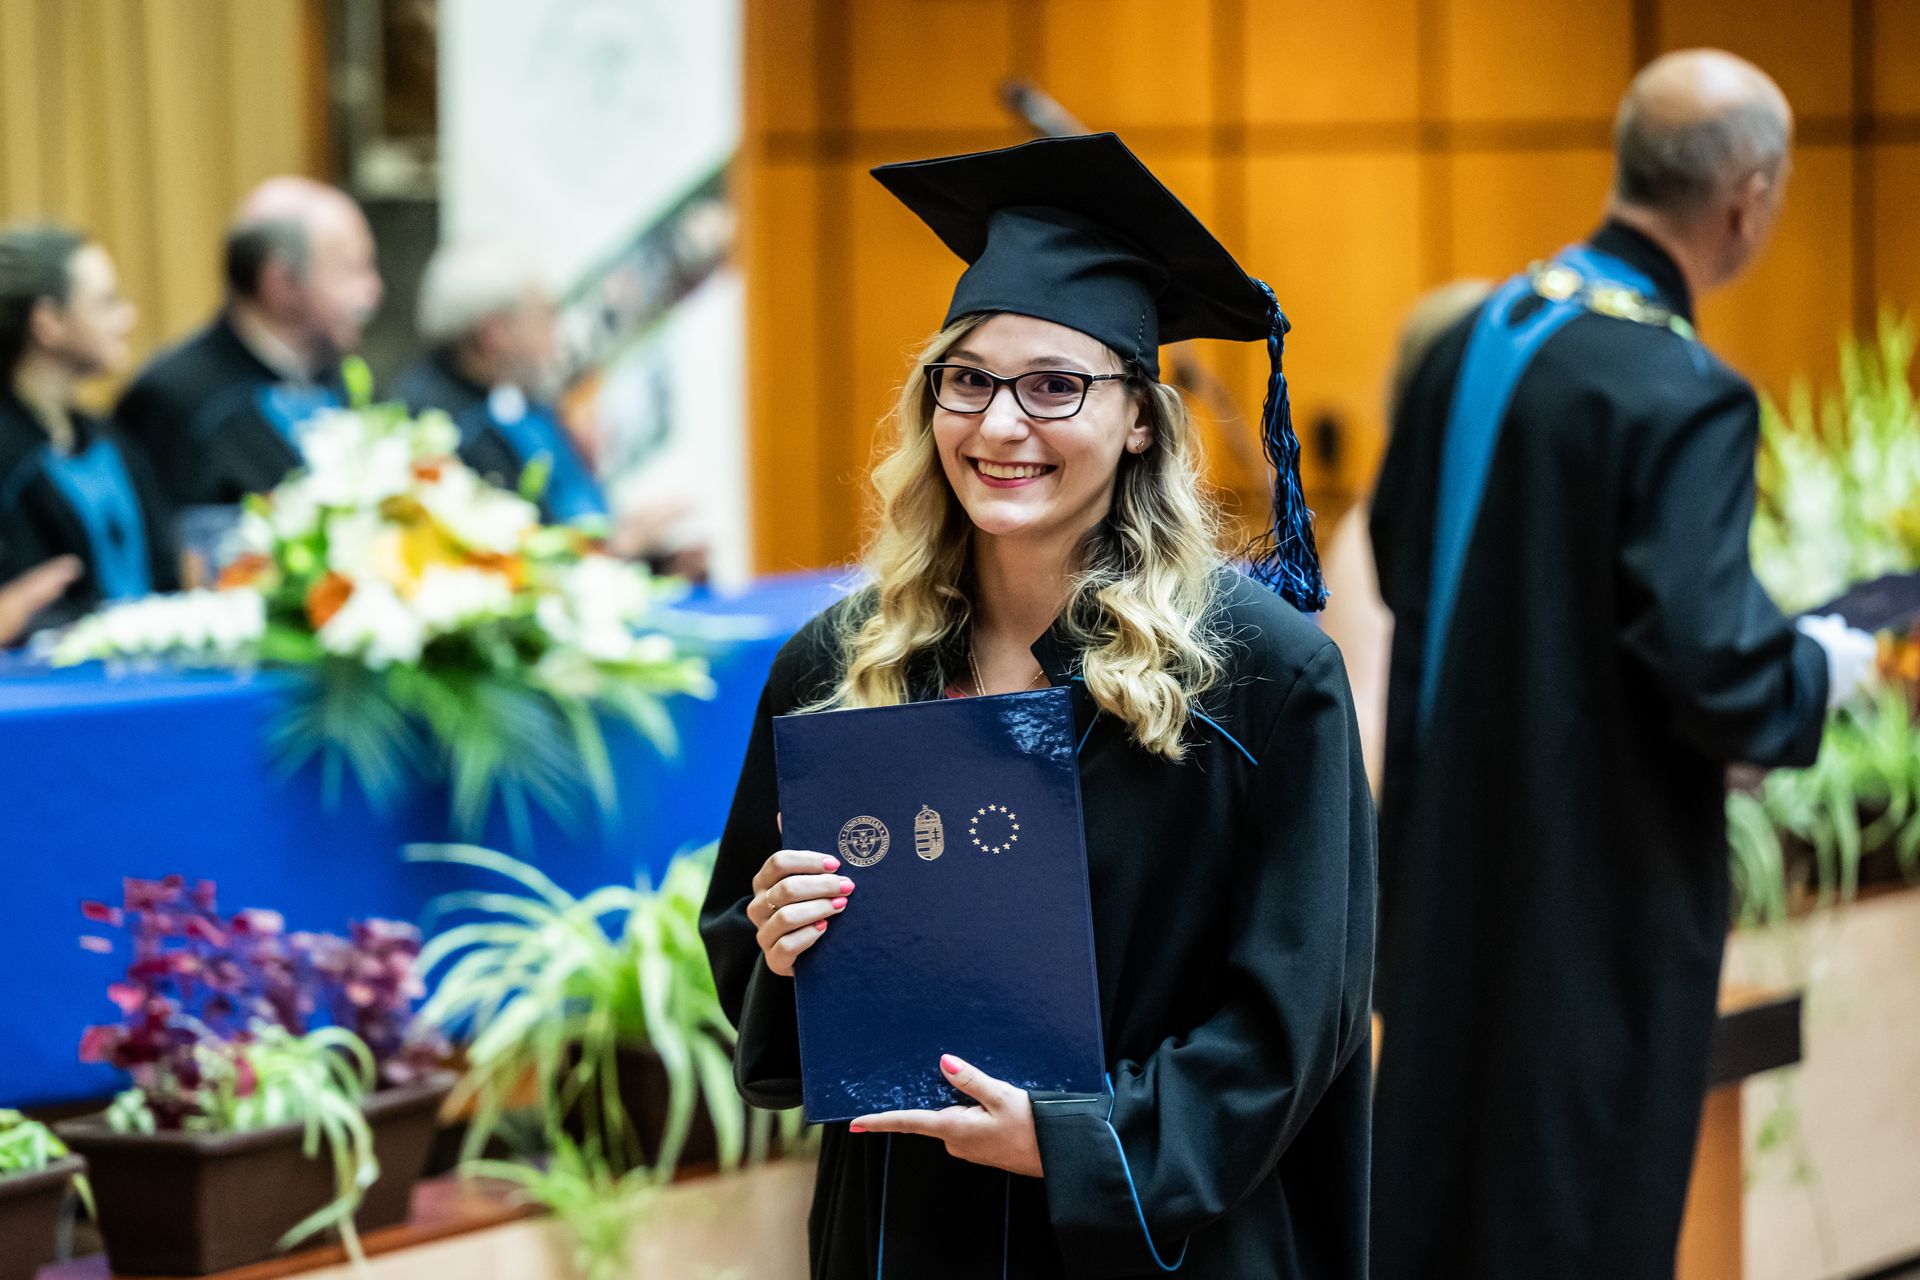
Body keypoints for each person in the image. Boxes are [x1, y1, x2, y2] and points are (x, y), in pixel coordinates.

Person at [700, 133, 1375, 1278]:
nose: (1000, 424)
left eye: (1056, 385)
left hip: (1146, 1239)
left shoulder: (1260, 678)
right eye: (968, 380)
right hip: (905, 1229)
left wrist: (1078, 1140)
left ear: (1142, 417)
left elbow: (1295, 1020)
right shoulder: (838, 664)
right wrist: (780, 940)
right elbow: (754, 972)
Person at [1368, 50, 1879, 1279]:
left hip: (1438, 887)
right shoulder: (1681, 391)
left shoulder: (1474, 334)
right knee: (1574, 1230)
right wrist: (1826, 668)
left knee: (1431, 1217)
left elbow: (1395, 555)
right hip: (1590, 923)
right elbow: (1720, 673)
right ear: (1748, 200)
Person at [393, 240, 709, 577]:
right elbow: (512, 569)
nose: (556, 334)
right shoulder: (440, 430)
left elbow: (576, 527)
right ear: (495, 333)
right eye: (544, 317)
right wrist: (621, 552)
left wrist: (653, 561)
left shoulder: (514, 399)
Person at [116, 177, 383, 508]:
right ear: (280, 283)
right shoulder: (174, 401)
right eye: (351, 271)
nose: (373, 291)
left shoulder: (337, 377)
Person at [0, 226, 178, 639]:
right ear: (47, 322)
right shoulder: (10, 461)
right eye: (106, 302)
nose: (128, 318)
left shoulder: (113, 441)